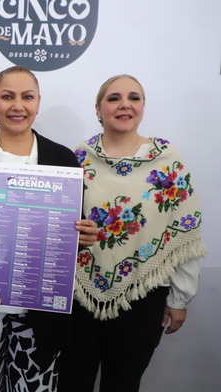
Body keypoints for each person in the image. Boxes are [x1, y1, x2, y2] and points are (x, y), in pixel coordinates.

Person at [0, 66, 98, 392]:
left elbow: (72, 224)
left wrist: (83, 236)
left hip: (40, 313)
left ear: (38, 102)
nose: (18, 106)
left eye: (27, 97)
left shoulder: (62, 157)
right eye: (7, 97)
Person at [58, 75, 206, 392]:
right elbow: (58, 222)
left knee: (123, 383)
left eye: (134, 98)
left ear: (142, 107)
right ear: (98, 109)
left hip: (142, 293)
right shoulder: (76, 158)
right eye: (114, 98)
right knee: (72, 381)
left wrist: (180, 298)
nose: (124, 104)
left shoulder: (167, 160)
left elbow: (184, 230)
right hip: (78, 293)